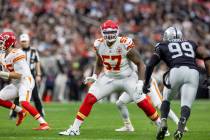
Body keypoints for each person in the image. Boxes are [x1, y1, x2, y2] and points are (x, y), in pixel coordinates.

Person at [59, 20, 161, 136]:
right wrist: (95, 75)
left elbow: (140, 63)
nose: (110, 35)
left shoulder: (124, 43)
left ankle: (161, 126)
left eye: (112, 32)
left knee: (141, 101)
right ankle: (75, 129)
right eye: (107, 32)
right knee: (90, 98)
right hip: (109, 77)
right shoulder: (98, 44)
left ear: (117, 32)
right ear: (102, 32)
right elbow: (98, 63)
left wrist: (140, 82)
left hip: (128, 77)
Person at [142, 27, 210, 140]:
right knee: (186, 104)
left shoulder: (162, 46)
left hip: (175, 71)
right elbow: (207, 56)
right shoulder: (190, 43)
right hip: (193, 73)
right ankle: (181, 125)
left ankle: (163, 122)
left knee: (166, 100)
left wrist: (146, 84)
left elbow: (150, 65)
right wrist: (209, 77)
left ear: (167, 37)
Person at [0, 31, 49, 130]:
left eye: (2, 42)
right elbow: (7, 76)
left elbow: (18, 75)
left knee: (24, 102)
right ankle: (20, 111)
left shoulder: (17, 53)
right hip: (15, 83)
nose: (0, 44)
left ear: (9, 42)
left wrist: (1, 73)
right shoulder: (2, 55)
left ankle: (44, 124)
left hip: (25, 80)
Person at [115, 78, 188, 136]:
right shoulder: (119, 66)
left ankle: (179, 123)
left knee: (160, 105)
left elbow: (145, 70)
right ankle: (128, 126)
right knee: (120, 103)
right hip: (133, 88)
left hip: (148, 84)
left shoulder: (132, 62)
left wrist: (145, 84)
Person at [10, 33, 45, 119]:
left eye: (25, 41)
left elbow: (37, 62)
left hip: (31, 74)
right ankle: (14, 114)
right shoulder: (17, 51)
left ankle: (41, 113)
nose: (23, 43)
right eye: (22, 41)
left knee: (36, 95)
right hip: (20, 74)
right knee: (17, 95)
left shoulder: (33, 51)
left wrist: (38, 74)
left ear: (28, 41)